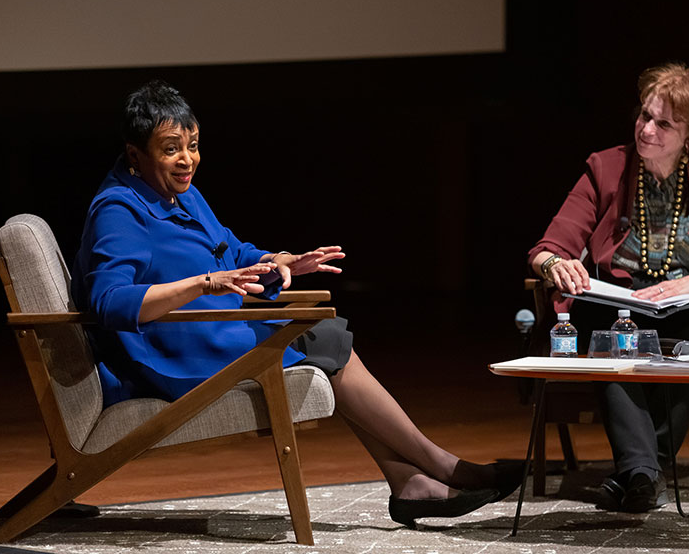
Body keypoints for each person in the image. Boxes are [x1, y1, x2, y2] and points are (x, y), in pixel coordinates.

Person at [72, 80, 520, 529]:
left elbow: (230, 250)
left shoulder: (181, 193)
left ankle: (412, 482)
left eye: (192, 145)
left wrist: (279, 261)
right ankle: (439, 468)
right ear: (135, 155)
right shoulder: (119, 209)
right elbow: (109, 301)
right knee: (322, 337)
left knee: (322, 335)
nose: (187, 159)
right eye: (171, 149)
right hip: (172, 353)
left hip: (207, 334)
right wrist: (204, 284)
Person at [527, 63, 689, 512]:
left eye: (662, 123)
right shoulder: (606, 167)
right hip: (620, 304)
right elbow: (549, 245)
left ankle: (637, 473)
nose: (645, 128)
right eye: (644, 115)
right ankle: (646, 472)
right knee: (610, 337)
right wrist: (555, 264)